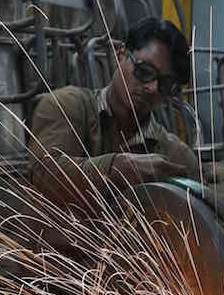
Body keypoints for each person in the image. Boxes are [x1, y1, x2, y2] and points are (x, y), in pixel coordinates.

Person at [29, 17, 205, 214]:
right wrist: (119, 168)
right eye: (145, 71)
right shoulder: (66, 106)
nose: (152, 88)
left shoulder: (175, 155)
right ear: (120, 55)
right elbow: (44, 174)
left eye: (165, 85)